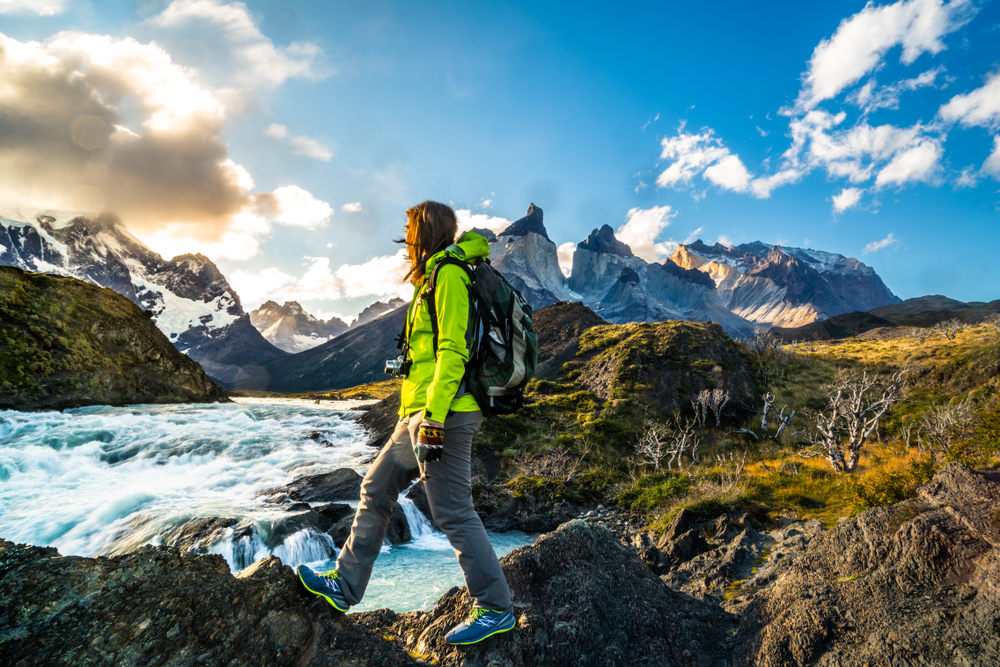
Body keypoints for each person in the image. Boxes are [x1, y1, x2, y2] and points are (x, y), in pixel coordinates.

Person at [296, 200, 516, 646]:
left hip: (445, 414)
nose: (406, 239)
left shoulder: (450, 275)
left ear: (425, 232)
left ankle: (496, 608)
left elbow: (454, 351)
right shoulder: (433, 276)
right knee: (375, 490)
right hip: (415, 414)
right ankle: (345, 584)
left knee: (452, 511)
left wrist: (433, 418)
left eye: (411, 230)